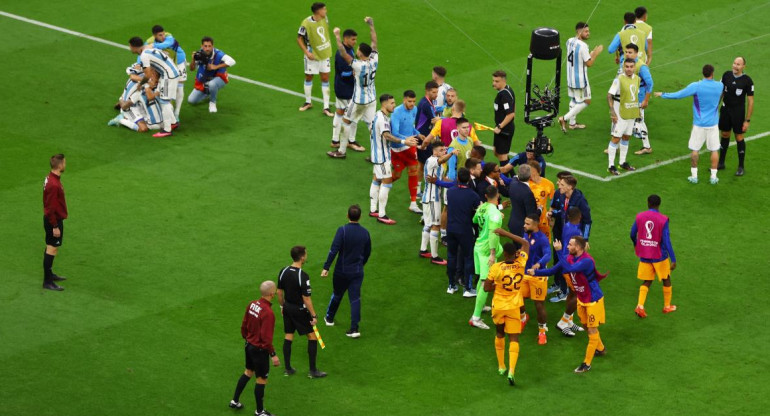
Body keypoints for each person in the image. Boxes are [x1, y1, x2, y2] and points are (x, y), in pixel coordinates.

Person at [530, 236, 608, 373]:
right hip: (582, 299)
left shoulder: (587, 261)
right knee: (585, 325)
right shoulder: (569, 258)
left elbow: (570, 268)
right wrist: (535, 272)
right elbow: (552, 271)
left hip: (593, 300)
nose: (567, 247)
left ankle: (586, 364)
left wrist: (559, 252)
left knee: (591, 330)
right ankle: (601, 349)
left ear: (578, 248)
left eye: (570, 245)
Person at [655, 64, 723, 184]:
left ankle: (694, 176)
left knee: (695, 149)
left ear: (703, 73)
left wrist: (663, 94)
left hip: (699, 124)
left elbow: (678, 95)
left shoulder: (696, 86)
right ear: (712, 73)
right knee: (714, 150)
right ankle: (713, 177)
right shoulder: (719, 86)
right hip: (713, 124)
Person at [483, 234, 530, 386]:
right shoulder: (521, 263)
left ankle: (501, 366)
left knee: (499, 333)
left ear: (504, 253)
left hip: (499, 306)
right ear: (515, 253)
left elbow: (486, 287)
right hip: (514, 306)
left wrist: (497, 285)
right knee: (514, 339)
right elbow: (525, 243)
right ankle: (512, 371)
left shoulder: (497, 268)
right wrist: (504, 232)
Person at [327, 18, 377, 158]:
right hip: (372, 99)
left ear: (360, 53)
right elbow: (374, 42)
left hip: (359, 100)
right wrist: (371, 25)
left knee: (346, 121)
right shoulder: (375, 59)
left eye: (359, 49)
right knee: (372, 126)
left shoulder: (358, 65)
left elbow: (343, 52)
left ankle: (341, 151)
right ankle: (376, 154)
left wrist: (337, 36)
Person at [229, 281, 280, 416]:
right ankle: (260, 411)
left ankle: (234, 401)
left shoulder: (252, 304)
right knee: (261, 379)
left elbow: (244, 324)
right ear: (271, 294)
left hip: (249, 345)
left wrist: (247, 339)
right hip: (259, 350)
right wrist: (273, 354)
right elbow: (266, 338)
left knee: (248, 372)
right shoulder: (268, 313)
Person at [276, 246, 326, 379]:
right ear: (302, 257)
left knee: (288, 335)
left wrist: (282, 306)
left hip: (287, 307)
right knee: (312, 337)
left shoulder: (283, 271)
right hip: (299, 310)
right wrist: (314, 315)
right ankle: (313, 371)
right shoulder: (302, 276)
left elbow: (279, 292)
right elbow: (306, 298)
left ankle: (288, 368)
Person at [322, 205, 372, 337]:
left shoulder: (342, 230)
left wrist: (326, 267)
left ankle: (329, 318)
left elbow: (334, 249)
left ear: (347, 216)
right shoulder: (365, 232)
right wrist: (361, 264)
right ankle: (354, 329)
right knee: (355, 299)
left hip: (341, 271)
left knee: (337, 294)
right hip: (357, 272)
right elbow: (367, 252)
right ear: (360, 217)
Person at [368, 94, 418, 224]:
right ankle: (382, 215)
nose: (394, 105)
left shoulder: (376, 115)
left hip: (375, 154)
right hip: (383, 156)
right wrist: (403, 141)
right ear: (385, 104)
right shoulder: (383, 119)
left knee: (376, 179)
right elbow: (386, 135)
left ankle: (373, 209)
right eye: (392, 103)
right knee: (387, 183)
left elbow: (371, 131)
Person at [631, 194, 677, 317]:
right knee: (666, 278)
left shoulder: (640, 216)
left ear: (648, 203)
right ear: (659, 204)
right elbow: (666, 239)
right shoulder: (663, 219)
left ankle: (640, 306)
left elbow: (632, 233)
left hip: (645, 254)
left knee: (647, 280)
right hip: (659, 256)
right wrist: (673, 258)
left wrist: (637, 244)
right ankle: (667, 306)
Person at [469, 186, 504, 329]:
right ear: (498, 196)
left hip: (478, 245)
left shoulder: (482, 208)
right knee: (486, 282)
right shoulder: (495, 214)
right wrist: (493, 253)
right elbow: (493, 234)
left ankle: (481, 304)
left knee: (482, 278)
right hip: (486, 250)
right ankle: (475, 318)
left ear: (485, 195)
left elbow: (475, 220)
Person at [129, 36, 179, 137]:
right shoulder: (149, 49)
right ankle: (173, 122)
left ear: (134, 47)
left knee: (164, 102)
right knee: (163, 99)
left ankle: (167, 130)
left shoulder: (144, 55)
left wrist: (140, 84)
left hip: (168, 75)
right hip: (170, 73)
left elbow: (147, 75)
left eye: (130, 47)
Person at [559, 22, 603, 132]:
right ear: (579, 32)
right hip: (580, 80)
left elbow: (579, 58)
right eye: (586, 31)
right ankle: (564, 119)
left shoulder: (569, 41)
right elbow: (589, 64)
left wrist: (590, 54)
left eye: (588, 31)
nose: (588, 33)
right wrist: (596, 54)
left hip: (570, 78)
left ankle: (573, 124)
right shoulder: (583, 46)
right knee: (586, 101)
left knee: (574, 99)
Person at [445, 168, 481, 294]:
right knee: (468, 257)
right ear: (469, 179)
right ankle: (468, 288)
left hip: (451, 229)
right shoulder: (473, 195)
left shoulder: (450, 192)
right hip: (465, 230)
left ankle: (451, 286)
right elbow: (480, 212)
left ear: (458, 178)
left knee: (451, 256)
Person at [718, 56, 754, 176]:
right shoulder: (726, 75)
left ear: (743, 66)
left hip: (738, 113)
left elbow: (750, 102)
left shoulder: (747, 81)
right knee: (725, 134)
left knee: (739, 137)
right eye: (734, 63)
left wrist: (747, 120)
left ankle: (741, 166)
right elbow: (721, 93)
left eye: (738, 64)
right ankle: (721, 163)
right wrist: (715, 107)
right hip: (725, 110)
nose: (735, 66)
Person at [518, 214, 551, 344]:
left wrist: (538, 264)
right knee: (518, 298)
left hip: (538, 276)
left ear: (535, 225)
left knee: (539, 305)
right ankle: (523, 317)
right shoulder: (526, 234)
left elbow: (548, 254)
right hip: (524, 273)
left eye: (527, 224)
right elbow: (523, 248)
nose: (524, 226)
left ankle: (542, 332)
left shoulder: (542, 239)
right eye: (525, 223)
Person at [390, 90, 424, 213]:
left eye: (414, 101)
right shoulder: (396, 113)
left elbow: (410, 126)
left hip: (410, 147)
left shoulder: (414, 110)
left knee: (413, 171)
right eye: (409, 101)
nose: (412, 104)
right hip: (398, 148)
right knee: (397, 175)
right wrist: (407, 139)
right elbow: (394, 133)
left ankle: (413, 203)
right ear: (404, 99)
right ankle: (382, 184)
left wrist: (418, 134)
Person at [297, 2, 333, 115]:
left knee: (325, 78)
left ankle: (326, 107)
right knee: (308, 77)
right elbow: (299, 38)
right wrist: (306, 52)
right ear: (318, 11)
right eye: (324, 9)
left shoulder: (324, 18)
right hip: (312, 56)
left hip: (325, 54)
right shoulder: (306, 23)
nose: (326, 11)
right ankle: (308, 102)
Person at [606, 59, 640, 175]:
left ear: (634, 67)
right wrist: (612, 112)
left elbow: (634, 96)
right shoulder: (619, 79)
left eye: (631, 66)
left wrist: (637, 111)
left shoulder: (637, 79)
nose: (629, 68)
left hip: (631, 112)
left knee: (626, 137)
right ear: (624, 67)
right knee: (616, 138)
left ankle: (622, 162)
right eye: (627, 66)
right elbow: (609, 95)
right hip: (620, 113)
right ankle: (611, 165)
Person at [420, 139, 450, 265]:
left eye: (444, 150)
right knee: (435, 225)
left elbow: (441, 178)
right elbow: (442, 160)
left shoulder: (436, 164)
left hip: (430, 197)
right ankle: (435, 256)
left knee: (428, 225)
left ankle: (423, 250)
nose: (443, 152)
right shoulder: (433, 160)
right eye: (441, 150)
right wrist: (452, 153)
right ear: (434, 151)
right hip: (433, 199)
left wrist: (455, 183)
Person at [187, 36, 236, 114]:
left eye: (209, 46)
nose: (207, 48)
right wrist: (193, 59)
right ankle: (208, 92)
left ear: (213, 46)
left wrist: (215, 67)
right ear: (202, 46)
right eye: (205, 46)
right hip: (205, 79)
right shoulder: (199, 54)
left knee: (212, 84)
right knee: (191, 100)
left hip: (219, 78)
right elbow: (192, 69)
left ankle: (212, 103)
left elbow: (232, 61)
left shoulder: (218, 54)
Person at [147, 25, 187, 119]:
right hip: (167, 65)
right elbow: (143, 51)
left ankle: (177, 113)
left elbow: (165, 45)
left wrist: (153, 46)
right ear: (154, 36)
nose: (163, 36)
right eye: (160, 35)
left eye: (163, 33)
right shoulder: (149, 41)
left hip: (179, 62)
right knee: (167, 87)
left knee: (179, 88)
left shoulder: (169, 38)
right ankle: (170, 112)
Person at [42, 154, 68, 291]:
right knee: (52, 249)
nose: (65, 164)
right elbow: (50, 208)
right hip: (54, 220)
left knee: (50, 247)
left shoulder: (51, 178)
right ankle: (47, 281)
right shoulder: (54, 184)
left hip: (53, 219)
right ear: (59, 165)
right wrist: (55, 226)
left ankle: (50, 274)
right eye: (64, 162)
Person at [330, 29, 358, 149]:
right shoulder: (342, 54)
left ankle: (335, 140)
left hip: (343, 87)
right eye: (353, 39)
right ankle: (350, 140)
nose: (355, 42)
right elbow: (343, 73)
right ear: (345, 39)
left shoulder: (349, 50)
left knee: (340, 112)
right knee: (352, 114)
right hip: (344, 88)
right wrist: (355, 71)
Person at [548, 175, 592, 244]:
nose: (559, 187)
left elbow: (587, 221)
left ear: (570, 187)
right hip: (562, 231)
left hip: (573, 234)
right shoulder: (562, 196)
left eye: (562, 185)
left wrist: (585, 239)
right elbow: (563, 211)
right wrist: (553, 213)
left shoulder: (580, 201)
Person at [415, 81, 441, 189]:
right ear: (427, 91)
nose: (436, 95)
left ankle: (417, 190)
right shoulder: (425, 104)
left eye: (437, 92)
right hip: (424, 138)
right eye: (434, 92)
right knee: (428, 165)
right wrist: (446, 119)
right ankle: (427, 189)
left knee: (421, 165)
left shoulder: (427, 102)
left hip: (423, 136)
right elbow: (435, 120)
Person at [491, 71, 516, 167]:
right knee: (497, 152)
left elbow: (510, 114)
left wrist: (500, 126)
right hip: (501, 127)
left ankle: (506, 180)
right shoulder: (507, 89)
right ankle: (512, 175)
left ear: (503, 81)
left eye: (497, 81)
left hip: (504, 129)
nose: (494, 83)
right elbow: (514, 107)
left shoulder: (504, 95)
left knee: (502, 156)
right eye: (493, 80)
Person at [506, 164, 537, 237]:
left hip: (513, 223)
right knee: (523, 248)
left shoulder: (513, 183)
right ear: (530, 176)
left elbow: (515, 177)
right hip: (523, 228)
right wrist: (540, 209)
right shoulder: (528, 193)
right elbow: (531, 215)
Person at [527, 161, 554, 242]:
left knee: (545, 242)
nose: (530, 175)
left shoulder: (549, 184)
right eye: (529, 172)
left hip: (543, 219)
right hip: (530, 218)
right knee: (529, 243)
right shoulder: (526, 184)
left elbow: (554, 201)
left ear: (539, 172)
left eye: (532, 172)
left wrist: (550, 214)